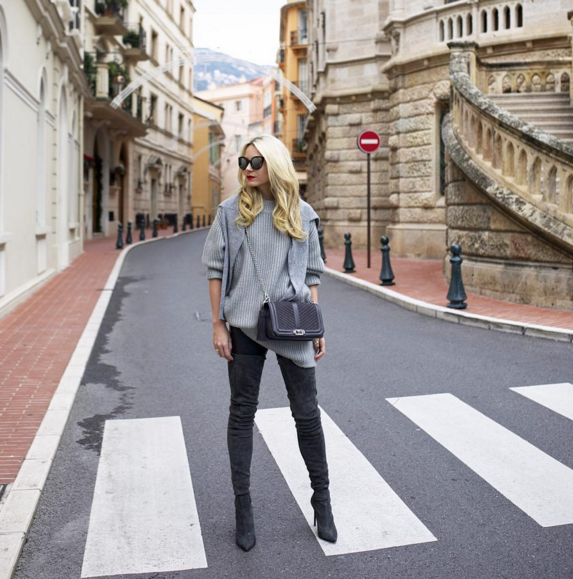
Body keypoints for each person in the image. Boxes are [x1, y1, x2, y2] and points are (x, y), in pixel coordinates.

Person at [201, 134, 337, 552]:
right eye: (244, 162)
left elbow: (312, 273)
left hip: (292, 323)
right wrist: (218, 324)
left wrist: (316, 324)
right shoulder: (230, 212)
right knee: (242, 413)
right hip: (244, 325)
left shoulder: (302, 213)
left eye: (256, 162)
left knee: (307, 415)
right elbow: (215, 269)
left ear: (274, 164)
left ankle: (322, 500)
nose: (247, 169)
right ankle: (243, 507)